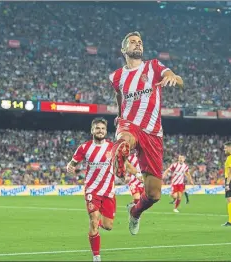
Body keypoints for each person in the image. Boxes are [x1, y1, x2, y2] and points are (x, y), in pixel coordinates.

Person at [108, 31, 184, 235]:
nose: (138, 45)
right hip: (129, 125)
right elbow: (119, 96)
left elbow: (177, 78)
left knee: (154, 194)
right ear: (124, 49)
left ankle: (134, 212)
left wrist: (171, 77)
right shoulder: (116, 76)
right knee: (125, 141)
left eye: (140, 42)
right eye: (133, 42)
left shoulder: (154, 66)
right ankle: (118, 158)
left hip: (153, 133)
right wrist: (119, 115)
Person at [66, 118, 115, 262]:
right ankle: (96, 256)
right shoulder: (84, 147)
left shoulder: (113, 147)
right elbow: (73, 162)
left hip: (108, 191)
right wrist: (70, 167)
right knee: (93, 221)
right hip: (91, 190)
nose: (100, 131)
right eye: (97, 128)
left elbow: (123, 162)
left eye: (103, 129)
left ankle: (99, 222)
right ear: (92, 130)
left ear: (106, 131)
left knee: (108, 226)